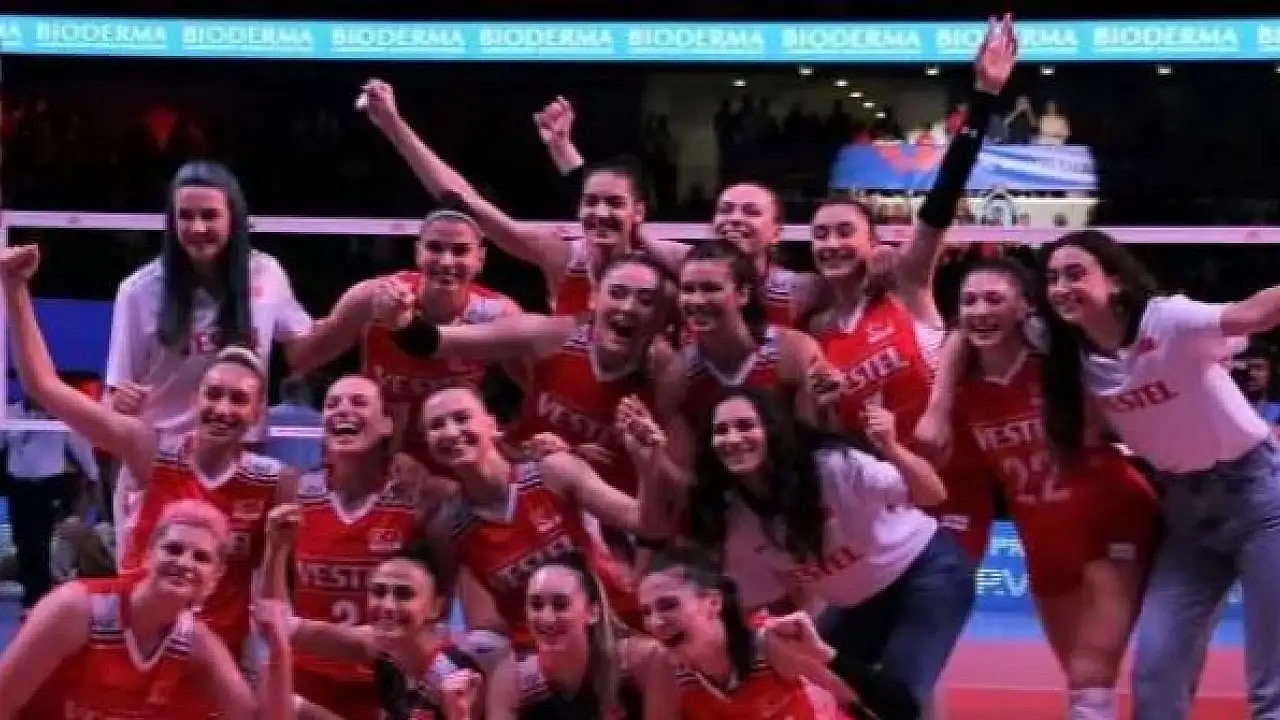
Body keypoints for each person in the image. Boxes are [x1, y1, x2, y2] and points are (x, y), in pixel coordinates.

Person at [1, 244, 299, 669]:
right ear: (196, 399)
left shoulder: (276, 482)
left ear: (258, 412)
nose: (223, 408)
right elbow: (45, 387)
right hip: (137, 655)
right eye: (214, 394)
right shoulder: (152, 451)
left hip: (217, 666)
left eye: (238, 399)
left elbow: (279, 595)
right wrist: (15, 289)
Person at [1036, 229, 1280, 719]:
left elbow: (1256, 313)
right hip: (1184, 516)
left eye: (1075, 274)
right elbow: (969, 332)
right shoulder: (1072, 355)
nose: (1061, 287)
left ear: (1116, 281)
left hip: (1260, 501)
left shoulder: (1170, 320)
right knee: (1155, 673)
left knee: (1271, 689)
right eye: (1053, 278)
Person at [802, 14, 1017, 562]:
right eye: (820, 235)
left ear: (873, 241)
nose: (831, 244)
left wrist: (984, 97)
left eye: (844, 233)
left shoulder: (905, 284)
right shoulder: (817, 328)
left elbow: (941, 202)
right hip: (877, 498)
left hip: (954, 483)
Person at [103, 160, 388, 562]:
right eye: (186, 216)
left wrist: (360, 306)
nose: (197, 227)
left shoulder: (266, 274)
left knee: (238, 590)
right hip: (162, 464)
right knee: (154, 590)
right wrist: (118, 404)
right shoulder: (138, 292)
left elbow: (304, 352)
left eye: (209, 215)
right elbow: (112, 399)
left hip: (242, 464)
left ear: (233, 217)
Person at [916, 258, 1158, 719]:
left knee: (1091, 670)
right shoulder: (961, 390)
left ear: (1025, 307)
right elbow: (944, 458)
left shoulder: (1059, 359)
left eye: (994, 299)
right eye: (969, 301)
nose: (980, 310)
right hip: (1042, 539)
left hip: (1112, 518)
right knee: (1081, 682)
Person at [651, 387, 968, 718]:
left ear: (772, 430)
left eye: (745, 425)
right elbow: (753, 603)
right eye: (721, 430)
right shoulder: (736, 519)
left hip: (926, 572)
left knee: (897, 699)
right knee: (811, 677)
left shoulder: (833, 467)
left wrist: (891, 446)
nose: (733, 438)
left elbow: (934, 493)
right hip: (856, 603)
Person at [390, 253, 673, 498]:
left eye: (645, 300)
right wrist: (400, 320)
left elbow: (680, 482)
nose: (628, 307)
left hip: (617, 514)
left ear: (661, 316)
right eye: (617, 293)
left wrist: (651, 457)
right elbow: (432, 342)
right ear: (593, 298)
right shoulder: (554, 336)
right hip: (526, 492)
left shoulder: (670, 375)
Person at [0, 499, 294, 719]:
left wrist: (279, 651)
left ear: (215, 578)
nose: (184, 563)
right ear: (147, 555)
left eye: (201, 558)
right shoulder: (77, 608)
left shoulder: (195, 642)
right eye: (173, 549)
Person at [418, 385, 648, 647]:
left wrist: (648, 459)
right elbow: (449, 609)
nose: (450, 432)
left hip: (615, 625)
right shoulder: (447, 528)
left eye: (461, 418)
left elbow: (645, 522)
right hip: (538, 652)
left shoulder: (552, 472)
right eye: (436, 425)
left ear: (492, 425)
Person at [259, 375, 428, 720]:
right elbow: (272, 605)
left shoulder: (416, 497)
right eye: (332, 404)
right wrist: (274, 551)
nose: (343, 410)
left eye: (359, 402)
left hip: (382, 682)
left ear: (386, 425)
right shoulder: (294, 490)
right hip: (306, 677)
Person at [315, 207, 524, 464]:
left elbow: (536, 387)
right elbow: (306, 355)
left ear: (480, 258)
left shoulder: (499, 313)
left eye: (460, 251)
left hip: (454, 451)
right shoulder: (372, 297)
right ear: (418, 252)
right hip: (380, 453)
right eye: (434, 248)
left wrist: (517, 437)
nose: (446, 262)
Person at [653, 241, 829, 504]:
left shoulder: (794, 352)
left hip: (801, 493)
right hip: (727, 505)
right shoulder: (676, 378)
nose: (697, 300)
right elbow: (687, 479)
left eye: (710, 289)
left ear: (743, 294)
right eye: (688, 289)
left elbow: (818, 451)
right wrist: (651, 455)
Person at [637, 548, 880, 720]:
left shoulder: (769, 642)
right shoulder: (665, 666)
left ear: (713, 603)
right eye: (646, 612)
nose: (655, 623)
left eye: (668, 605)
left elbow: (852, 700)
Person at [255, 541, 483, 720]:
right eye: (379, 592)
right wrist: (276, 548)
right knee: (284, 703)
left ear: (436, 608)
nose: (387, 606)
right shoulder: (380, 646)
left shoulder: (457, 674)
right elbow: (277, 624)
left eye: (404, 594)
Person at [486, 553, 679, 720]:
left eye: (560, 605)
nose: (547, 618)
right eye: (536, 605)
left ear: (593, 612)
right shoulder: (511, 681)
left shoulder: (644, 661)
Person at [0, 396, 100, 614]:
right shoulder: (10, 413)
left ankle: (37, 599)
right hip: (17, 484)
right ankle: (30, 593)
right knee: (22, 540)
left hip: (46, 485)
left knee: (40, 540)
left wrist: (92, 473)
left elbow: (79, 444)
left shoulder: (60, 415)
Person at [264, 376, 323, 472]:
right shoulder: (319, 419)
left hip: (276, 474)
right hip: (311, 475)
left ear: (283, 393)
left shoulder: (267, 416)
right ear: (304, 393)